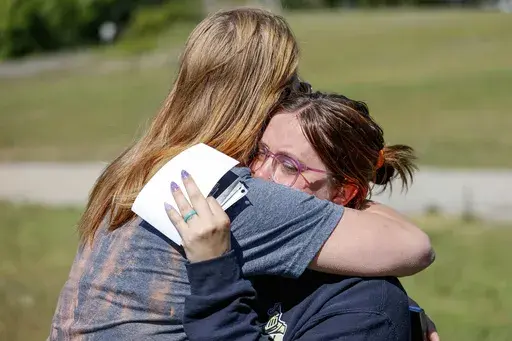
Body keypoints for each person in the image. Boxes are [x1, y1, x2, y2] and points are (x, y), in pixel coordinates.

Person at [49, 8, 433, 340]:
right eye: (292, 85)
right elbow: (413, 247)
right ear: (261, 96)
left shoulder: (145, 163)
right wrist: (393, 307)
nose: (302, 91)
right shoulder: (224, 190)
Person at [174, 91, 437, 340]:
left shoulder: (367, 310)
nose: (259, 174)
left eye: (288, 166)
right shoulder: (248, 239)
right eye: (260, 152)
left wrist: (214, 277)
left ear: (343, 193)